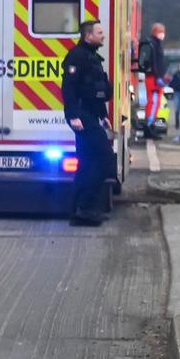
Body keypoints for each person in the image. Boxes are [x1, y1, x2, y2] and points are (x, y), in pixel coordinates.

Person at [61, 19, 115, 226]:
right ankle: (85, 206)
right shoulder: (77, 56)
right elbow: (69, 88)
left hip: (91, 114)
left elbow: (95, 90)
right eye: (99, 32)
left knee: (86, 162)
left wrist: (103, 116)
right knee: (104, 158)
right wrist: (73, 115)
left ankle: (78, 211)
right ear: (88, 35)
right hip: (81, 115)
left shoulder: (92, 57)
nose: (103, 35)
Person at [142, 23, 166, 139]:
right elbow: (154, 62)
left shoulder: (155, 44)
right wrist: (158, 76)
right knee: (154, 102)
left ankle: (151, 125)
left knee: (155, 102)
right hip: (154, 78)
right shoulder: (153, 44)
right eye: (161, 32)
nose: (163, 34)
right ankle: (149, 125)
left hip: (155, 77)